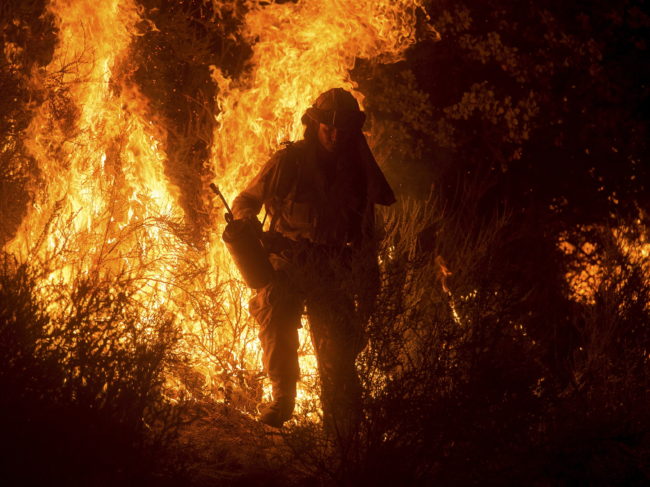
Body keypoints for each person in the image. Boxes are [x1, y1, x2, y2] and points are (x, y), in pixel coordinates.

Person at [231, 88, 395, 433]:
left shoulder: (358, 172)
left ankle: (343, 425)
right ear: (314, 124)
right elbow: (246, 199)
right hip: (288, 260)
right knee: (275, 310)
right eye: (328, 128)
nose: (335, 136)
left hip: (334, 267)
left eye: (343, 130)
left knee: (337, 348)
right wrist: (244, 219)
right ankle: (282, 399)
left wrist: (367, 286)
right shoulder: (288, 162)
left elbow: (368, 231)